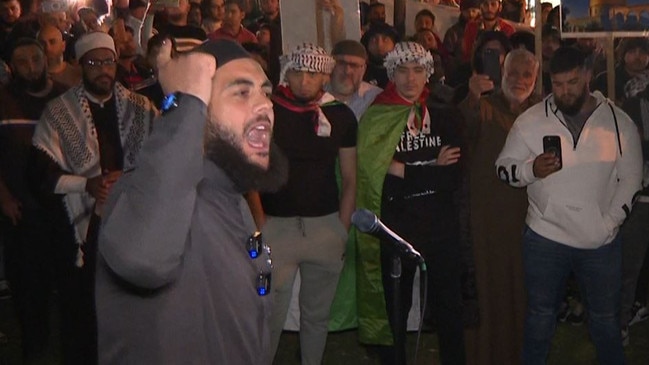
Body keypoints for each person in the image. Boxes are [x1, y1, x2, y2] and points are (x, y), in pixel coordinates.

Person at [94, 38, 287, 365]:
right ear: (199, 108)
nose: (265, 105)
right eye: (242, 92)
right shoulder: (138, 194)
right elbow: (144, 260)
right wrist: (184, 103)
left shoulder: (231, 198)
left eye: (265, 92)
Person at [495, 46, 643, 364]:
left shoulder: (619, 123)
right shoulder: (531, 121)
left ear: (588, 75)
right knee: (539, 319)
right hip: (545, 237)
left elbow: (632, 180)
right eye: (558, 84)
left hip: (600, 242)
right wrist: (529, 170)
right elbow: (503, 167)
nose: (564, 91)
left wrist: (609, 223)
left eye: (573, 82)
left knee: (606, 322)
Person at [31, 31, 156, 364]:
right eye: (94, 62)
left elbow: (161, 163)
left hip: (133, 224)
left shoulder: (141, 108)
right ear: (80, 65)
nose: (103, 69)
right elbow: (41, 174)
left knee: (132, 307)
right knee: (83, 311)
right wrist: (85, 185)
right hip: (84, 231)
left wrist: (129, 181)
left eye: (108, 61)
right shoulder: (59, 113)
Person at [356, 41, 466, 365]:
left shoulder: (446, 115)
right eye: (402, 70)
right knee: (395, 311)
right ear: (391, 73)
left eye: (418, 70)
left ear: (428, 73)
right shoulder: (377, 117)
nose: (410, 78)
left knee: (449, 309)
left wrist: (401, 168)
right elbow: (373, 171)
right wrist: (432, 168)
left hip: (441, 226)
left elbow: (453, 177)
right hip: (397, 227)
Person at [259, 43, 357, 365]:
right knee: (267, 315)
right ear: (287, 72)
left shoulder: (340, 115)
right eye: (298, 72)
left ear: (324, 76)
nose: (304, 80)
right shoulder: (268, 111)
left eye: (313, 73)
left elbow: (350, 176)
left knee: (317, 316)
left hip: (325, 227)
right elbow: (251, 172)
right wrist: (262, 226)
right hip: (277, 227)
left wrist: (341, 228)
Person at [461, 48, 541, 365]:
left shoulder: (542, 114)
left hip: (529, 219)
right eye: (513, 72)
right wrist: (470, 97)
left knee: (521, 291)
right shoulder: (483, 108)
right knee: (488, 289)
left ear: (536, 79)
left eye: (527, 74)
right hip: (486, 221)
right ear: (501, 73)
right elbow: (462, 130)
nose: (519, 80)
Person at [0, 37, 66, 364]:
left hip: (61, 208)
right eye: (23, 61)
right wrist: (4, 197)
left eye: (36, 59)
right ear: (11, 66)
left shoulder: (63, 97)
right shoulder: (4, 100)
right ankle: (34, 350)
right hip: (21, 211)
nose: (31, 67)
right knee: (28, 289)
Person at [620, 79, 649, 345]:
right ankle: (621, 324)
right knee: (629, 266)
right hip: (640, 199)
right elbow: (628, 150)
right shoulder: (632, 105)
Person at [326, 39, 382, 120]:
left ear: (364, 69)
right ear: (331, 65)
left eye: (354, 65)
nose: (347, 71)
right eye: (341, 63)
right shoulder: (316, 95)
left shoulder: (376, 98)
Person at [592, 37, 649, 105]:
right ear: (623, 54)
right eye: (632, 51)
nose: (637, 56)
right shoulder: (605, 79)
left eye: (642, 52)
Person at [37, 24, 82, 89]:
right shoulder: (33, 78)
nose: (47, 48)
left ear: (63, 46)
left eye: (52, 42)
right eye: (42, 43)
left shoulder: (78, 74)